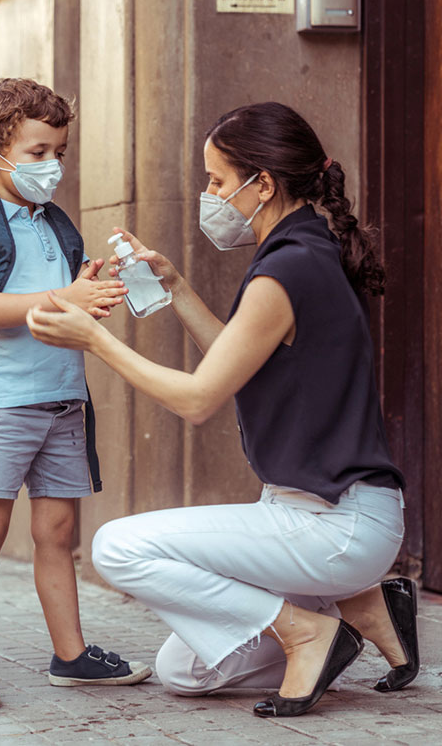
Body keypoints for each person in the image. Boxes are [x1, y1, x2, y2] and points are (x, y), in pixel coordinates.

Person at [26, 102, 420, 718]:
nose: (210, 195)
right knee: (185, 670)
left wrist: (94, 341)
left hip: (333, 523)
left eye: (216, 181)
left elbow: (199, 397)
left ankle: (308, 629)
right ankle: (359, 604)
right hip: (323, 518)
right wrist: (178, 287)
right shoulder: (306, 250)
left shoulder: (285, 270)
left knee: (116, 548)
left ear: (262, 183)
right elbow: (239, 363)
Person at [0, 78, 151, 710]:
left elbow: (60, 309)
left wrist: (88, 286)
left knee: (57, 534)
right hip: (2, 401)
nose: (51, 165)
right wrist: (68, 296)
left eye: (58, 150)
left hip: (64, 400)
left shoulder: (57, 224)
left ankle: (71, 655)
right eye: (37, 152)